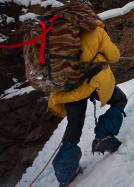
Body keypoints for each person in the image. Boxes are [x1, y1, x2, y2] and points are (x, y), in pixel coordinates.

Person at [47, 11, 127, 186]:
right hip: (90, 82)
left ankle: (66, 172)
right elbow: (114, 56)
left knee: (74, 124)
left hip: (66, 87)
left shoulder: (60, 35)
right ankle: (104, 136)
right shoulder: (97, 31)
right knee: (120, 100)